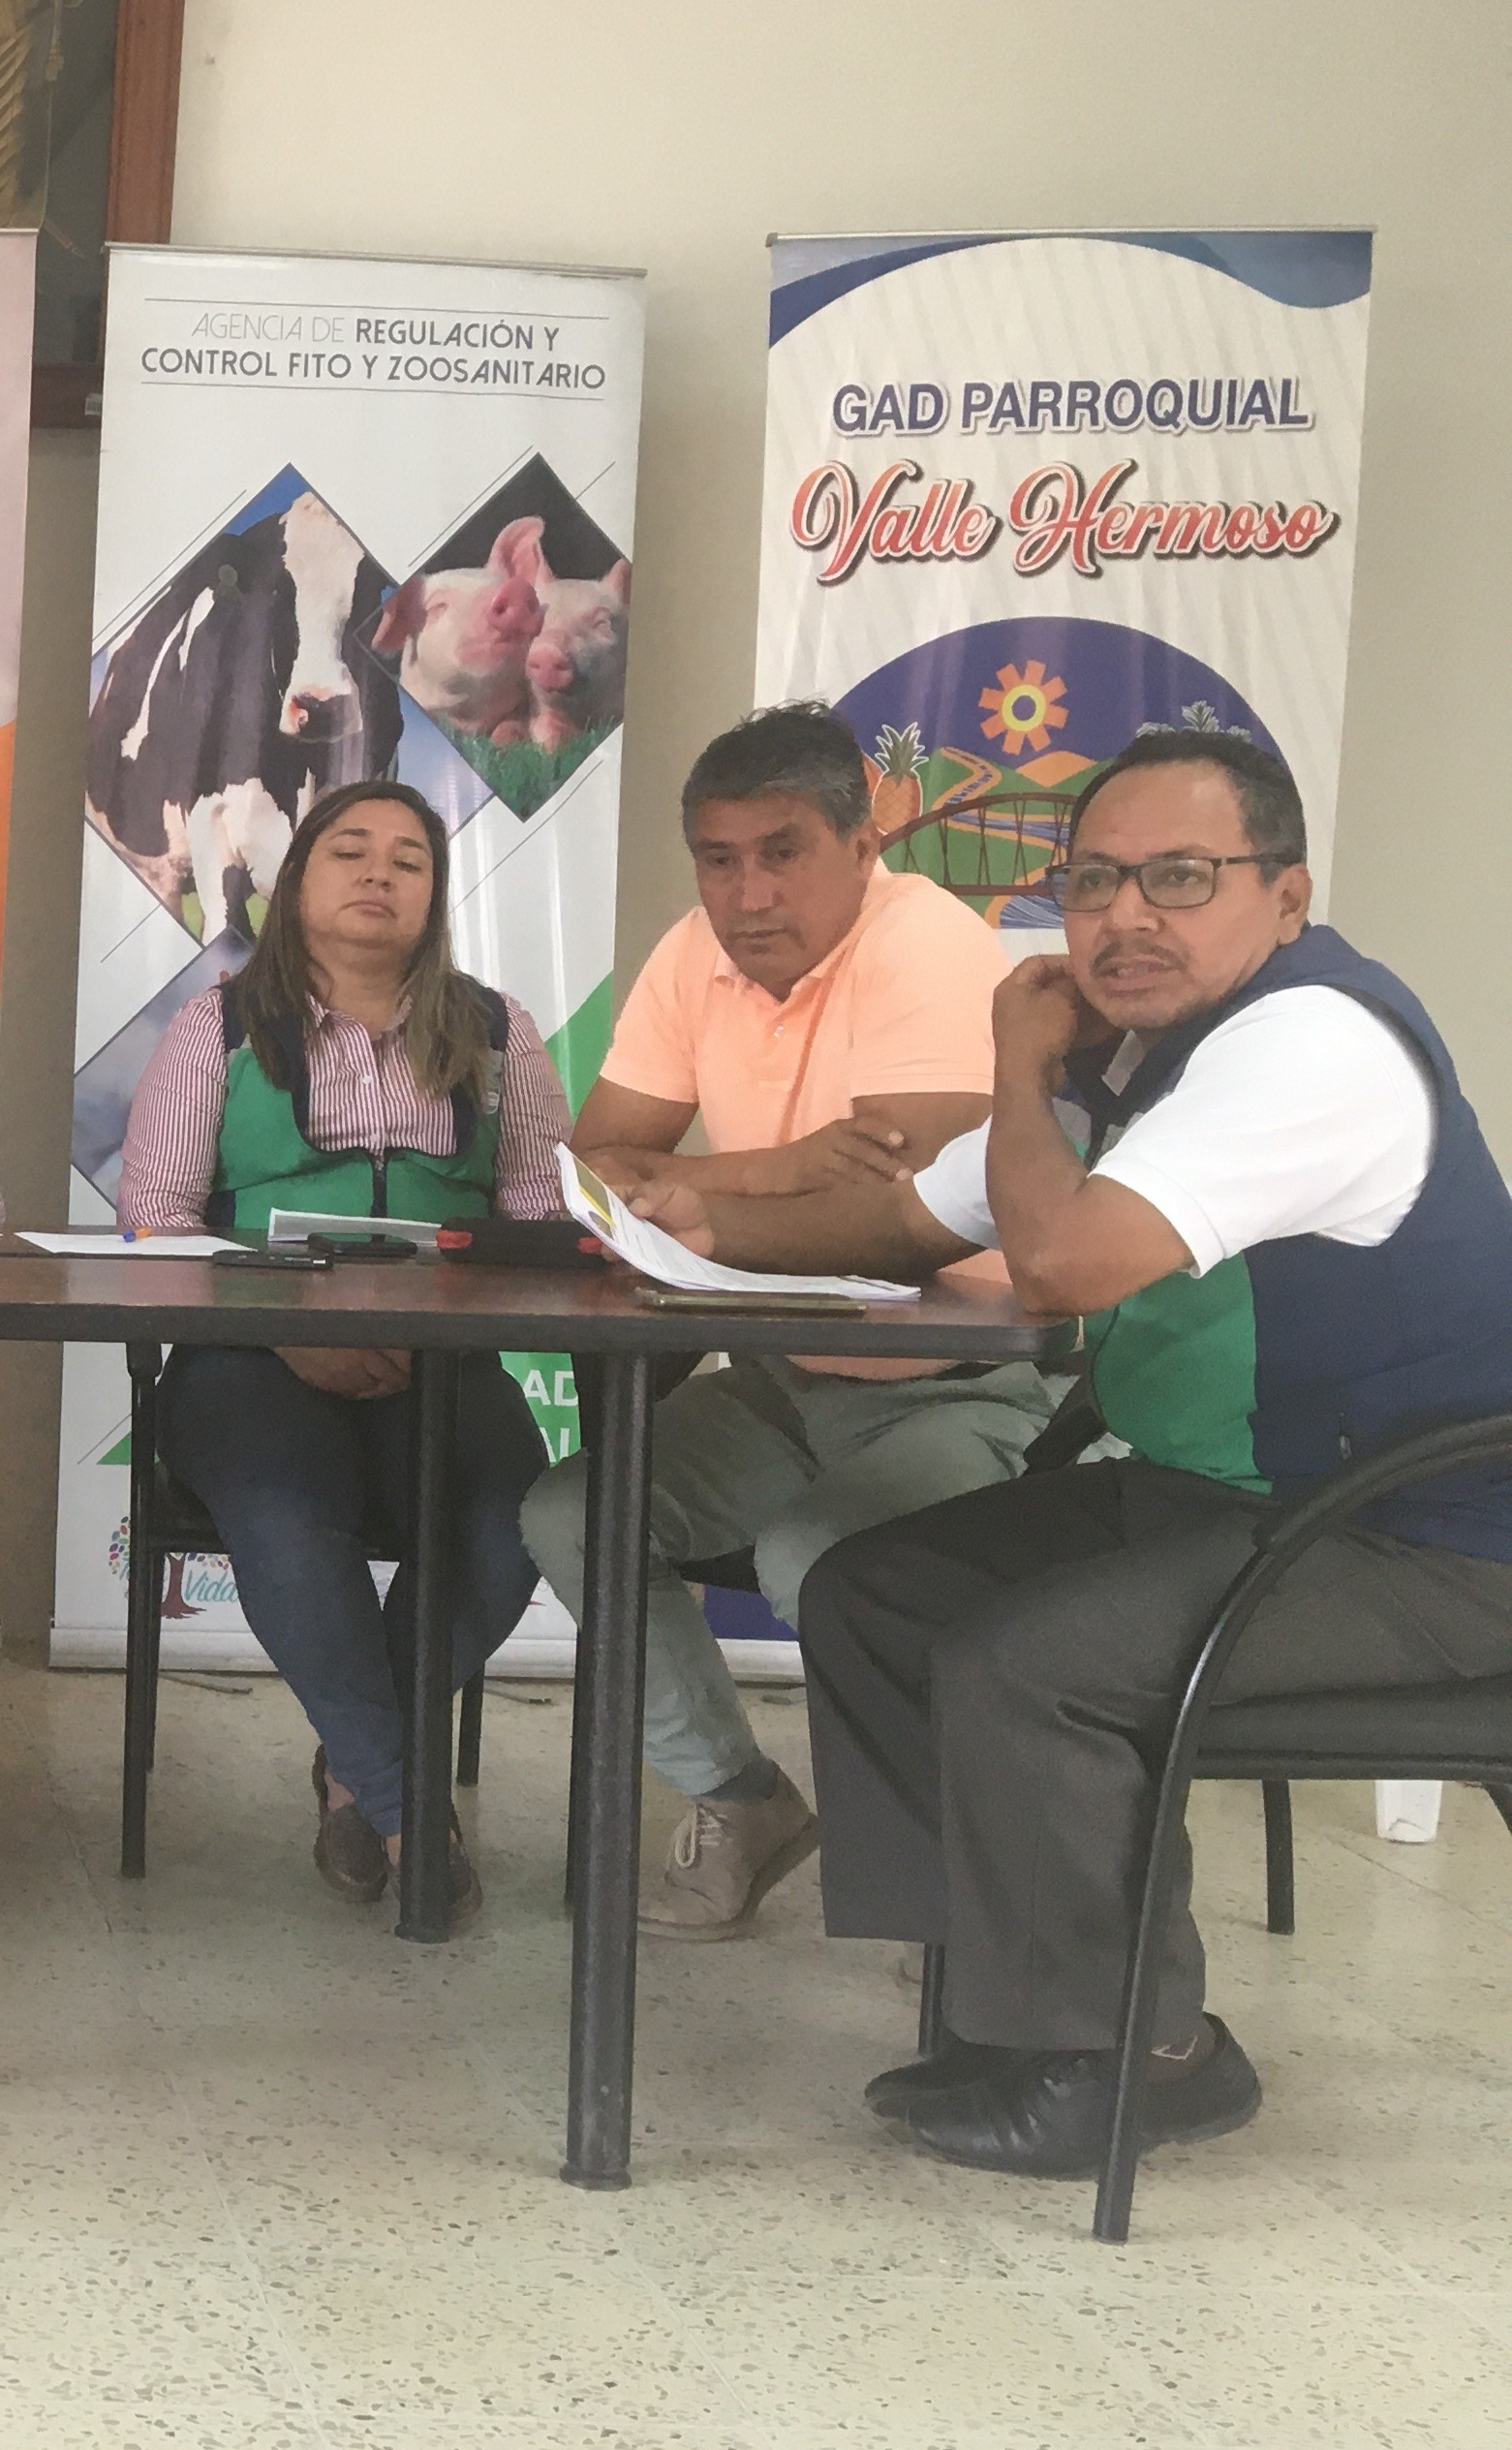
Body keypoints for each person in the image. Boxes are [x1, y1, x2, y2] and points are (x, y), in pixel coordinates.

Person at [623, 728, 1512, 2177]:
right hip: (1244, 1492)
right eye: (1093, 881)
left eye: (1179, 877)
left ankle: (1139, 2054)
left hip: (1432, 1533)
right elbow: (915, 1220)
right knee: (872, 1591)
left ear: (1286, 895)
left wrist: (1016, 1067)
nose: (1123, 916)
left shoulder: (1310, 1042)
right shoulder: (1148, 1049)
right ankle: (998, 2005)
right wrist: (702, 1225)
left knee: (1034, 1666)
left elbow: (1060, 1263)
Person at [525, 703, 1061, 1937]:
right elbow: (591, 1170)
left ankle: (951, 1874)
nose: (748, 894)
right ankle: (740, 1798)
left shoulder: (927, 940)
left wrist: (706, 1193)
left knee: (816, 1558)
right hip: (786, 1374)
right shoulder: (690, 956)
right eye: (719, 860)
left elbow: (905, 1212)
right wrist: (793, 1163)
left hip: (969, 1380)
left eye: (783, 853)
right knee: (573, 1512)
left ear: (862, 844)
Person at [115, 779, 571, 1922]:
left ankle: (356, 1764)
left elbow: (541, 1222)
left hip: (444, 1358)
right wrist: (289, 1332)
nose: (379, 874)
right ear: (296, 882)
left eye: (409, 860)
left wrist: (449, 1325)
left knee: (520, 1519)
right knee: (285, 1513)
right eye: (350, 851)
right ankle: (407, 1806)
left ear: (435, 895)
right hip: (250, 1357)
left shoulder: (501, 1035)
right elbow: (155, 1224)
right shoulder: (218, 1026)